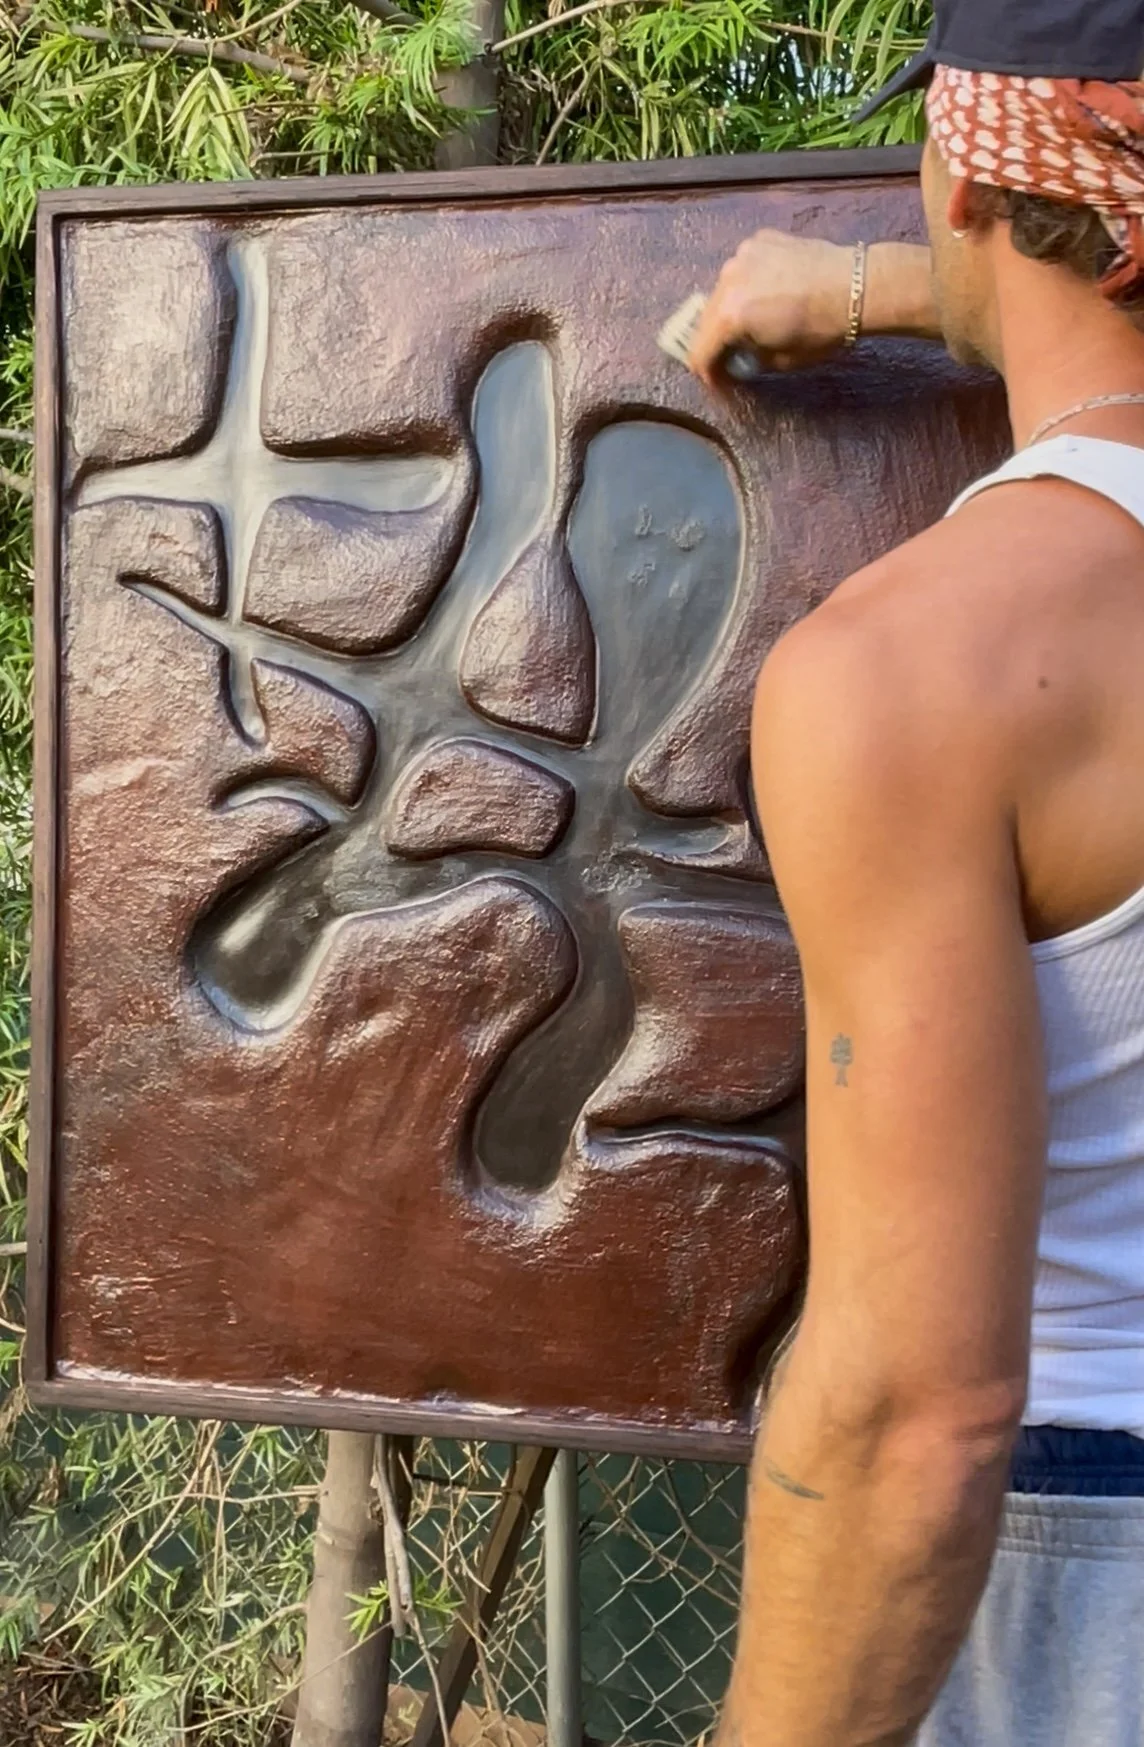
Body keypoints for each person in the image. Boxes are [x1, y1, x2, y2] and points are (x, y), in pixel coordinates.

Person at [688, 3, 1144, 1744]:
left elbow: (915, 1417)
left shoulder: (915, 676)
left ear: (964, 172)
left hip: (1082, 1577)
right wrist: (875, 287)